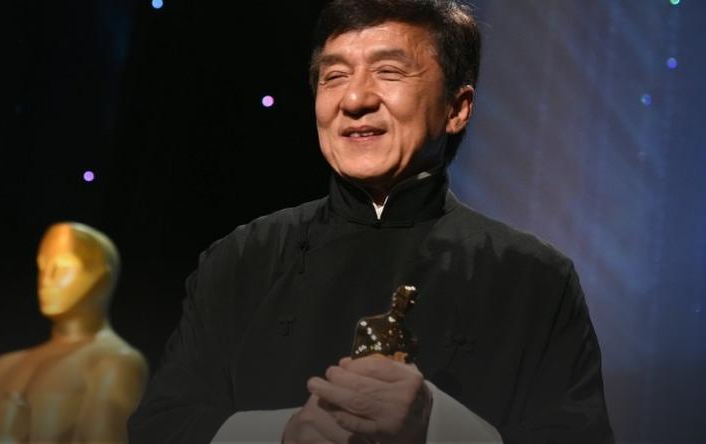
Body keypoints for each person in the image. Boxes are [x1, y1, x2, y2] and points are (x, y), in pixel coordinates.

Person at [128, 0, 614, 442]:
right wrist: (282, 434)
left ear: (457, 108)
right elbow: (161, 426)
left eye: (388, 71)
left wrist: (434, 424)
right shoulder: (240, 258)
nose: (355, 98)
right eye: (334, 76)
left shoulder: (535, 279)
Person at [0, 222, 148, 443]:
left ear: (102, 276)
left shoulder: (113, 362)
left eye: (62, 267)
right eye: (42, 267)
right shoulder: (2, 367)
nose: (46, 279)